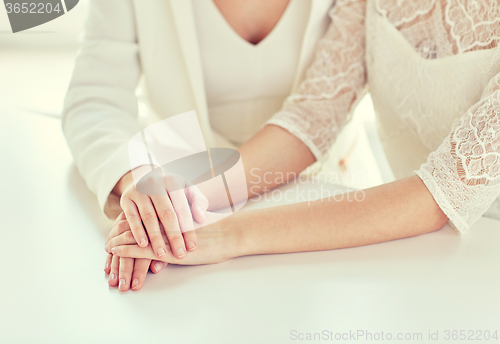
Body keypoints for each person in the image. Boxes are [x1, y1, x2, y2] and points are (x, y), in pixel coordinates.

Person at [104, 0, 500, 288]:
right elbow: (310, 118)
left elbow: (436, 196)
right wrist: (176, 200)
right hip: (426, 258)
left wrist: (228, 235)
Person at [63, 0, 372, 291]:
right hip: (183, 197)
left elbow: (314, 118)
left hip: (323, 198)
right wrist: (142, 181)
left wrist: (184, 204)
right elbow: (95, 97)